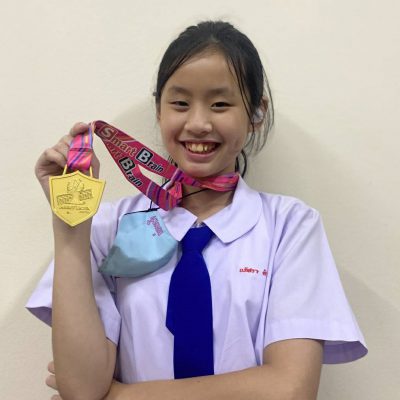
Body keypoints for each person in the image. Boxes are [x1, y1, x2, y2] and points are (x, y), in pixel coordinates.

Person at [27, 20, 367, 400]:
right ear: (159, 110)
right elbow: (82, 387)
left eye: (220, 104)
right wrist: (71, 226)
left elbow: (289, 389)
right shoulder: (107, 228)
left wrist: (120, 396)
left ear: (256, 113)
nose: (199, 123)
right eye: (180, 103)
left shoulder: (290, 227)